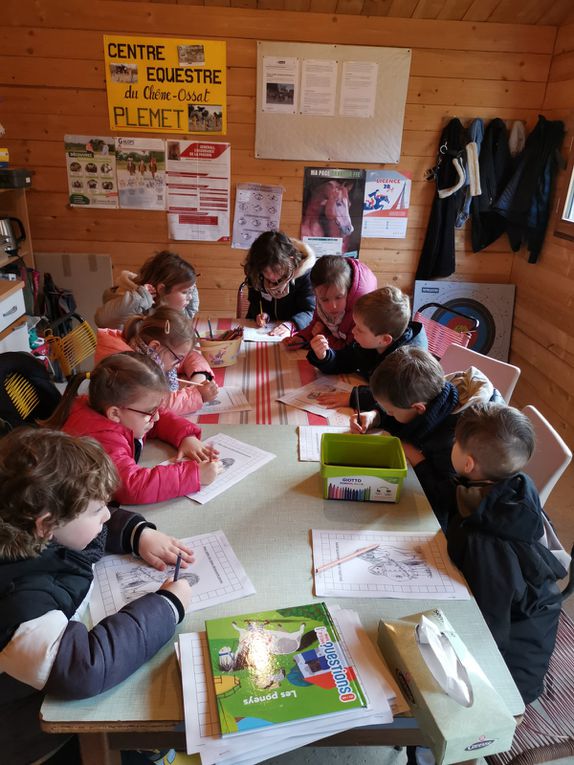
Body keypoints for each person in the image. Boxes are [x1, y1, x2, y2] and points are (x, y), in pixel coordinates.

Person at [0, 428, 194, 765]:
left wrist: (139, 534)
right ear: (46, 525)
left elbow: (86, 525)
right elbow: (83, 668)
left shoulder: (38, 527)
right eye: (97, 511)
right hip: (30, 734)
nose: (107, 515)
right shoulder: (18, 603)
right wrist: (167, 606)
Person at [447, 402, 568, 704]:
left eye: (455, 443)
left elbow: (488, 628)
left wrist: (490, 694)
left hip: (510, 674)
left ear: (468, 464)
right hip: (510, 619)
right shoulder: (512, 485)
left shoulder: (489, 544)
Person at [350, 347, 502, 528]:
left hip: (452, 519)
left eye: (390, 411)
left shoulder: (456, 440)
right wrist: (376, 416)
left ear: (419, 408)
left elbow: (444, 494)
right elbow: (408, 419)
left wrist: (416, 457)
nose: (388, 414)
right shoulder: (435, 395)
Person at [42, 353, 222, 505]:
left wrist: (185, 437)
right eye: (151, 412)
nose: (157, 416)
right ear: (114, 413)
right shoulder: (100, 440)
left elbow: (159, 419)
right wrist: (194, 475)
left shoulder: (117, 412)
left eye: (156, 409)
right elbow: (133, 487)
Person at [307, 285, 427, 411]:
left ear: (385, 339)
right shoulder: (370, 342)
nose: (353, 331)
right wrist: (324, 356)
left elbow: (395, 396)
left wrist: (353, 398)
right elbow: (344, 360)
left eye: (359, 329)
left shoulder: (408, 362)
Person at [94, 306, 218, 415]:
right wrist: (198, 395)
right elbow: (160, 405)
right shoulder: (131, 369)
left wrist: (199, 375)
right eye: (176, 358)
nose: (178, 363)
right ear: (154, 347)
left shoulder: (144, 348)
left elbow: (191, 356)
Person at [283, 254, 377, 351]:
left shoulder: (359, 314)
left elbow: (349, 352)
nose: (333, 306)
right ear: (316, 294)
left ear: (349, 290)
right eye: (324, 300)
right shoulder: (323, 292)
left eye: (339, 297)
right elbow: (316, 325)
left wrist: (324, 335)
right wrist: (301, 338)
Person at [95, 250, 200, 330]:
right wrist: (140, 299)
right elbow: (103, 321)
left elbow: (187, 315)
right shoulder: (132, 305)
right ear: (162, 290)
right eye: (185, 292)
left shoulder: (167, 303)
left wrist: (191, 286)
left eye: (191, 291)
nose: (189, 297)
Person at [242, 230, 316, 338]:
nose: (271, 276)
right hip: (262, 331)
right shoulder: (256, 272)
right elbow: (255, 300)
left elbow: (310, 311)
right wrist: (261, 314)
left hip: (294, 332)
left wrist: (292, 325)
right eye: (265, 271)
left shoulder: (305, 274)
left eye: (276, 270)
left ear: (289, 261)